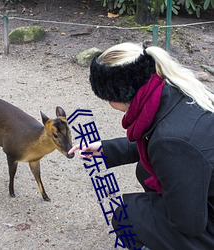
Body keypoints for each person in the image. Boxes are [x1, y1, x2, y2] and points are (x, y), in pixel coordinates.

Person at [68, 42, 214, 250]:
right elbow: (158, 139)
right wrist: (105, 149)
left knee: (125, 216)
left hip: (205, 223)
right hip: (205, 187)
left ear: (119, 93)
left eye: (107, 98)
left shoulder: (171, 142)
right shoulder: (174, 89)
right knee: (145, 169)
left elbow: (189, 224)